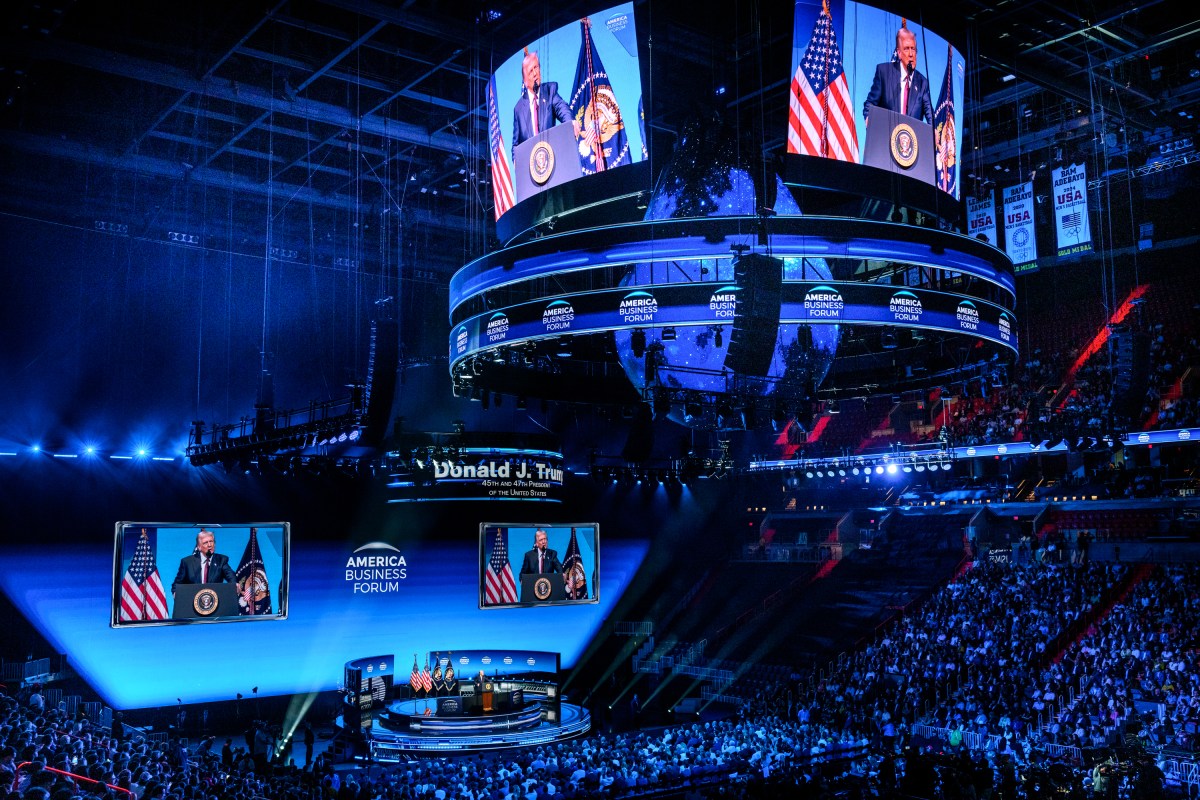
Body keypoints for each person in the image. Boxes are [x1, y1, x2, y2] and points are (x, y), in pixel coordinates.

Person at [511, 51, 580, 159]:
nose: (535, 73)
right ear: (525, 81)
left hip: (551, 158)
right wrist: (516, 161)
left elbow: (562, 109)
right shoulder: (518, 109)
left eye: (536, 67)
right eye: (530, 71)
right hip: (531, 166)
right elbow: (516, 145)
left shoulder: (550, 91)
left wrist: (570, 122)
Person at [863, 27, 933, 124]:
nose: (911, 54)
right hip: (886, 136)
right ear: (899, 53)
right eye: (906, 49)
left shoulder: (922, 83)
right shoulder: (884, 72)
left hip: (912, 138)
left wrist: (933, 130)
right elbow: (869, 104)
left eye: (913, 49)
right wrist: (869, 118)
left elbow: (930, 115)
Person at [172, 528, 235, 594]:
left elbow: (231, 577)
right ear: (199, 547)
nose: (209, 545)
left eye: (211, 541)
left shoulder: (221, 560)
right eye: (205, 543)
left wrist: (235, 585)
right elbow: (176, 585)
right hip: (193, 601)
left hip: (215, 600)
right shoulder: (187, 562)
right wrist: (176, 594)